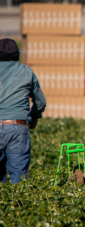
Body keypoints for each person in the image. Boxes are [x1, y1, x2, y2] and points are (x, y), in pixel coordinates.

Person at [0, 38, 46, 184]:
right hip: (17, 127)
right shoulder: (26, 71)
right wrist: (34, 117)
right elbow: (40, 101)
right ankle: (19, 205)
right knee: (19, 178)